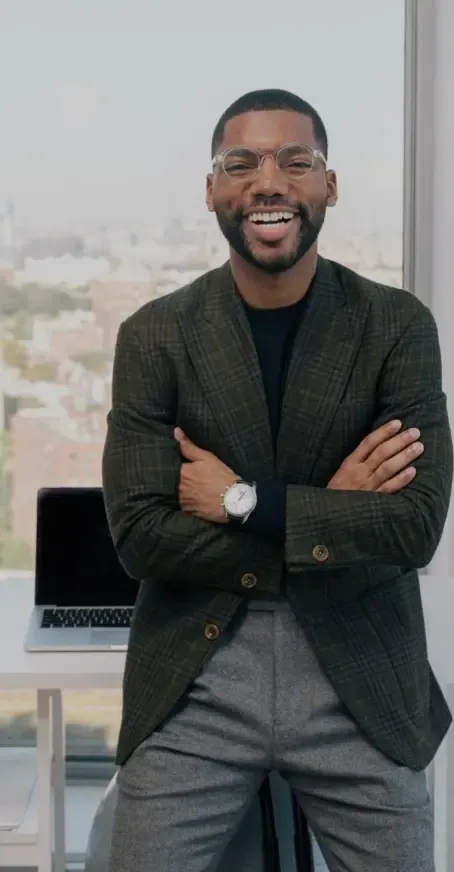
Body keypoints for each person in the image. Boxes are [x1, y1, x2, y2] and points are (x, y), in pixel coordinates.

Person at [102, 88, 453, 872]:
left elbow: (415, 526)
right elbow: (141, 537)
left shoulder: (395, 327)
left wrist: (240, 501)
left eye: (297, 162)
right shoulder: (155, 335)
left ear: (329, 186)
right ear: (212, 189)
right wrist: (334, 511)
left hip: (359, 675)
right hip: (198, 677)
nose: (270, 182)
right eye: (242, 163)